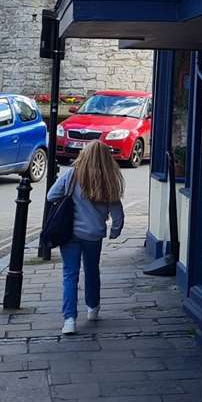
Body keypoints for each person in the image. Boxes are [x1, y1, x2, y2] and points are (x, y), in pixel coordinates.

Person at [46, 139, 126, 335]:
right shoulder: (109, 180)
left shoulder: (72, 175)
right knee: (92, 271)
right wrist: (115, 231)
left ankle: (69, 320)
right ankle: (93, 308)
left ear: (84, 155)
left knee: (69, 274)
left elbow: (51, 196)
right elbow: (117, 212)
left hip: (70, 233)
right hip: (93, 235)